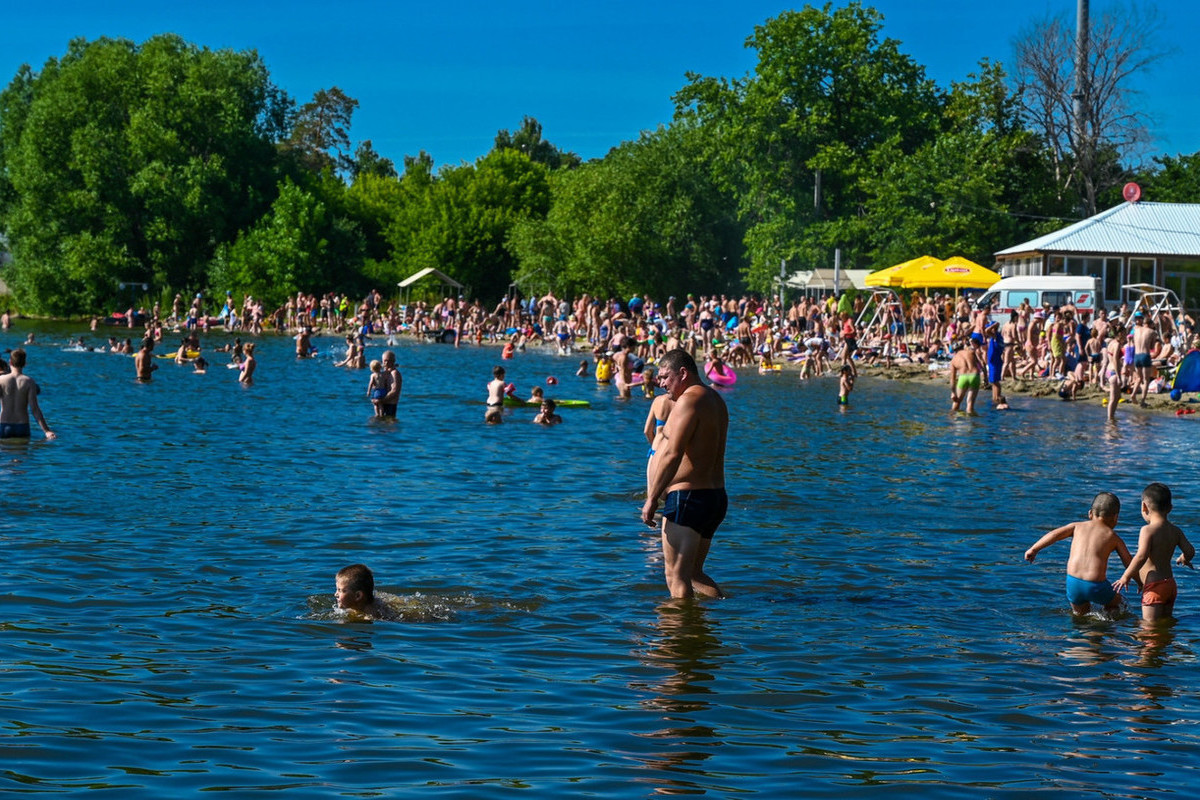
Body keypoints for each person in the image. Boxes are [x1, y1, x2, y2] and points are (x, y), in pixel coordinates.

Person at [641, 349, 729, 599]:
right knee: (693, 573)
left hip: (688, 497)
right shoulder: (715, 399)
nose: (661, 383)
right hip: (714, 498)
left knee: (675, 576)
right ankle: (718, 618)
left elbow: (672, 453)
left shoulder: (689, 400)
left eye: (665, 377)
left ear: (683, 373)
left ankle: (679, 637)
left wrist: (652, 498)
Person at [1024, 492, 1133, 616]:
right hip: (1096, 586)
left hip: (1073, 584)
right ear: (1116, 518)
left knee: (1081, 616)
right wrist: (1140, 583)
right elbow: (1128, 561)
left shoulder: (1076, 526)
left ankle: (1080, 634)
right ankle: (1105, 628)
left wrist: (1034, 549)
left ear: (1090, 513)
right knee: (1119, 603)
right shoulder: (1113, 537)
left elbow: (1054, 535)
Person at [1113, 483, 1195, 622]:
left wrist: (1125, 576)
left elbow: (1141, 556)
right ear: (1170, 508)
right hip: (1170, 585)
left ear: (1144, 507)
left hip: (1154, 587)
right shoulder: (1176, 531)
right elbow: (1190, 551)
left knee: (1149, 628)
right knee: (1165, 623)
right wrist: (1184, 558)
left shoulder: (1147, 530)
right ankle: (1167, 642)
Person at [0, 349, 56, 440]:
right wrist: (47, 431)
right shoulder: (29, 382)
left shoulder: (1, 380)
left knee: (5, 451)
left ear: (10, 362)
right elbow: (34, 409)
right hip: (22, 426)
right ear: (25, 363)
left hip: (4, 425)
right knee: (23, 452)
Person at [948, 342, 982, 414]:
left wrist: (953, 392)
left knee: (956, 402)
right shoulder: (971, 352)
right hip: (974, 376)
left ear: (954, 351)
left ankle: (952, 421)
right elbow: (981, 365)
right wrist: (985, 378)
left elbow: (952, 379)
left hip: (963, 377)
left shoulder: (953, 360)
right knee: (970, 405)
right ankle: (971, 423)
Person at [379, 350, 401, 417]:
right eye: (384, 360)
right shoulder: (384, 373)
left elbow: (395, 391)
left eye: (388, 360)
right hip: (383, 404)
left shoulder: (395, 373)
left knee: (390, 424)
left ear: (393, 361)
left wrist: (381, 401)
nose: (386, 363)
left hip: (390, 404)